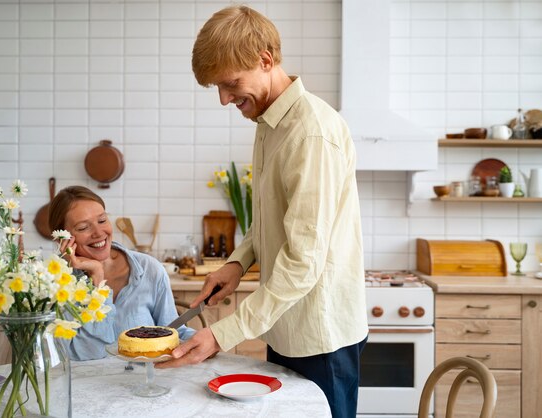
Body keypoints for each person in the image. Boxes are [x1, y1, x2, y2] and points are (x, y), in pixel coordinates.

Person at [156, 6, 368, 416]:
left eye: (231, 83)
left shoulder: (311, 134)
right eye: (217, 88)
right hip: (286, 326)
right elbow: (269, 219)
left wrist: (221, 335)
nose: (224, 99)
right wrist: (236, 264)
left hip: (320, 336)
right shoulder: (270, 124)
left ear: (266, 60)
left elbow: (303, 262)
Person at [48, 185, 194, 360]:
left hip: (146, 383)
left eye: (102, 221)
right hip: (86, 385)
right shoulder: (55, 286)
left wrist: (211, 339)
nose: (99, 233)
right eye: (83, 227)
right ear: (62, 239)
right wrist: (98, 277)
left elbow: (174, 332)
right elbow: (90, 356)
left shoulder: (149, 269)